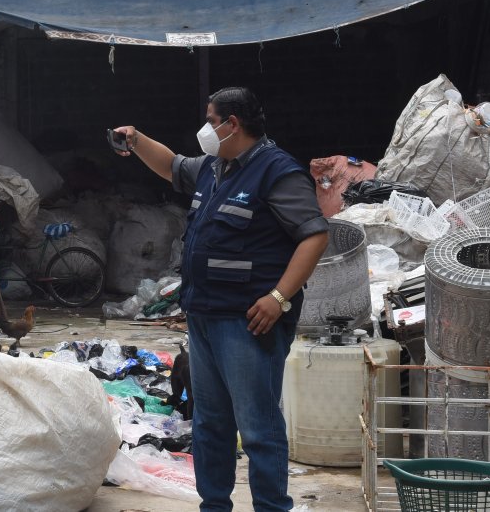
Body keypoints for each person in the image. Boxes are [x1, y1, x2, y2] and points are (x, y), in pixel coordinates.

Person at [114, 87, 329, 512]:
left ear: (233, 124)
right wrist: (136, 140)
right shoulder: (217, 167)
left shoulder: (277, 171)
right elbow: (172, 165)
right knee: (211, 424)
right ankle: (214, 505)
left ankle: (272, 507)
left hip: (248, 322)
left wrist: (278, 297)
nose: (205, 129)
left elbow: (315, 236)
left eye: (211, 120)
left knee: (258, 427)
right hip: (204, 316)